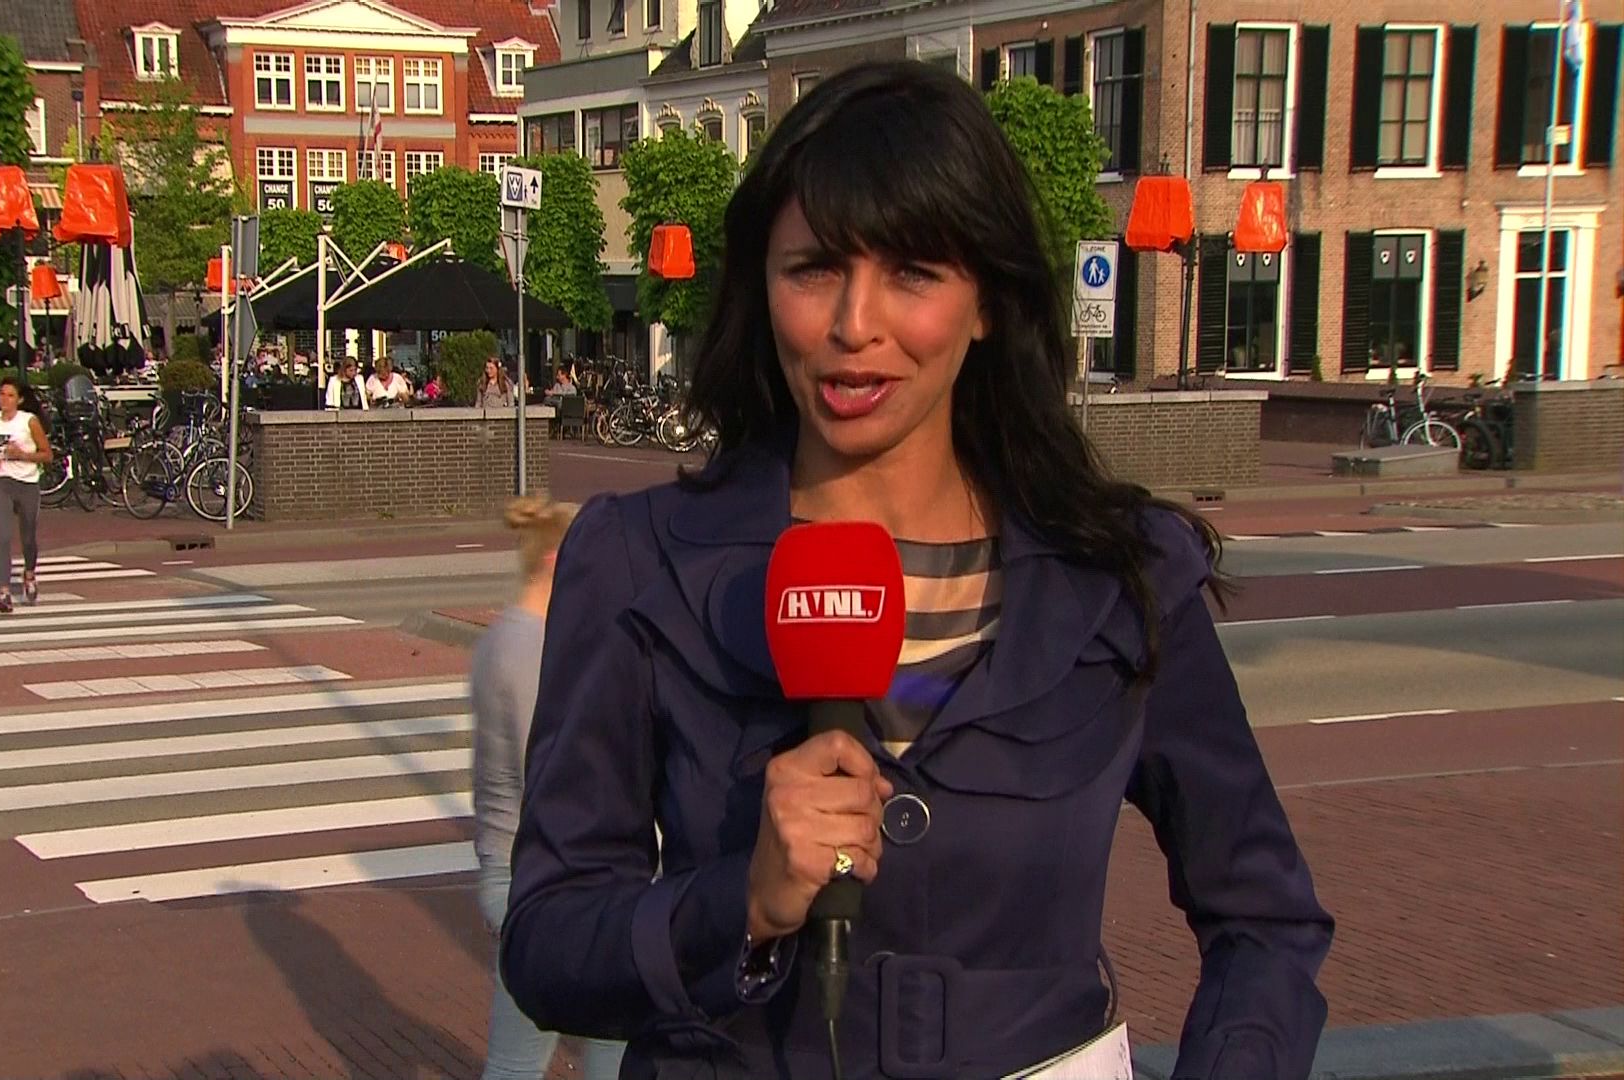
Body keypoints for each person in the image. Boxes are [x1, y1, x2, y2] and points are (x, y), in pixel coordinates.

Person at [500, 61, 1332, 1080]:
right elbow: (547, 945)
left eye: (913, 273)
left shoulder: (1120, 577)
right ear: (763, 289)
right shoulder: (640, 562)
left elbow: (1266, 919)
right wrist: (740, 903)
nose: (856, 325)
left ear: (987, 302)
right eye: (814, 269)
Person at [472, 496, 626, 1080]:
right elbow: (553, 777)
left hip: (522, 873)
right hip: (543, 880)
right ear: (559, 561)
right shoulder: (532, 648)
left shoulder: (507, 637)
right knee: (609, 1042)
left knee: (524, 1058)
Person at [0, 375, 53, 614]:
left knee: (28, 536)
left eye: (10, 395)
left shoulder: (29, 422)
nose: (4, 399)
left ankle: (29, 574)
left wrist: (23, 455)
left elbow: (47, 454)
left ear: (19, 400)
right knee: (3, 536)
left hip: (27, 483)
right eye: (2, 394)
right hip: (1, 483)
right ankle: (3, 592)